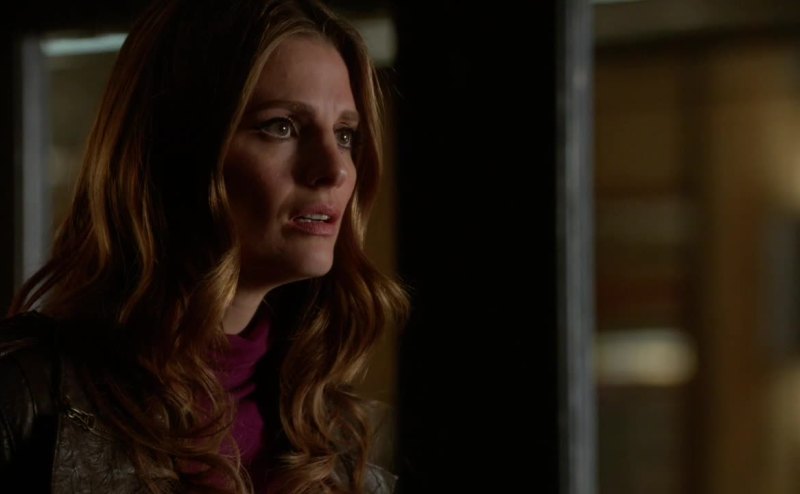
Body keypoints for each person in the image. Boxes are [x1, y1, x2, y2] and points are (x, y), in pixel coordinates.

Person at [0, 0, 408, 492]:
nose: (335, 169)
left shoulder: (359, 446)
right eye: (281, 126)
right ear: (176, 148)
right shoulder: (25, 396)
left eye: (345, 134)